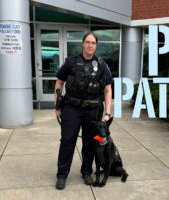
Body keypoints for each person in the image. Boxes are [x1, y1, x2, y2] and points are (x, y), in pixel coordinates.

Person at [54, 32, 113, 190]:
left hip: (92, 110)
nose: (90, 45)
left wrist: (107, 113)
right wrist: (57, 106)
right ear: (82, 44)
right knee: (67, 141)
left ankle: (86, 171)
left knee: (89, 143)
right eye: (87, 42)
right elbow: (59, 83)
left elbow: (107, 90)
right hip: (71, 108)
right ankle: (62, 175)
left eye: (93, 43)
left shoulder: (102, 65)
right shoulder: (71, 62)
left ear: (96, 45)